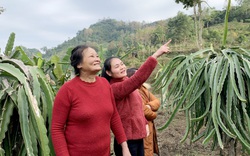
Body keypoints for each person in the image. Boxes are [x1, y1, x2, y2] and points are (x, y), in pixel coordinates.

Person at [51, 45, 131, 156]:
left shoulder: (105, 84)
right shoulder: (67, 90)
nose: (97, 59)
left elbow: (114, 117)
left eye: (97, 56)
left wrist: (124, 147)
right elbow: (56, 129)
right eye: (91, 56)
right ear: (79, 64)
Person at [101, 40, 171, 156]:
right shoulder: (115, 88)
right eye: (117, 66)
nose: (122, 67)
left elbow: (137, 107)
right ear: (109, 72)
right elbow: (138, 78)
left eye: (122, 64)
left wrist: (144, 123)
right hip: (127, 140)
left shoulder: (127, 83)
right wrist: (156, 55)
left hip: (138, 137)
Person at [127, 68, 160, 156]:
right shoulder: (133, 91)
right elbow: (144, 112)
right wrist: (154, 115)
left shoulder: (143, 88)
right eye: (138, 75)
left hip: (147, 127)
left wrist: (149, 106)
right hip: (141, 127)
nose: (141, 77)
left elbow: (157, 101)